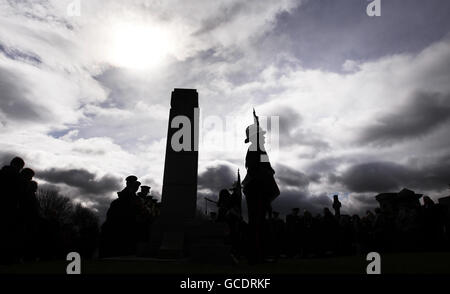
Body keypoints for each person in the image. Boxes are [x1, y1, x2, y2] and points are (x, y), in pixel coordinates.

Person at [242, 109, 280, 264]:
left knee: (260, 222)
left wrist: (268, 171)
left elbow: (268, 168)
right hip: (256, 190)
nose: (264, 137)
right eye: (261, 134)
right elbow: (254, 169)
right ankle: (256, 256)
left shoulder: (260, 150)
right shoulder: (253, 150)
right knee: (257, 222)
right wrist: (266, 173)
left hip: (261, 190)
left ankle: (259, 254)